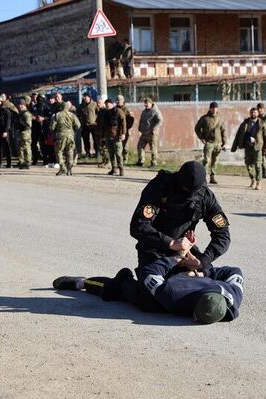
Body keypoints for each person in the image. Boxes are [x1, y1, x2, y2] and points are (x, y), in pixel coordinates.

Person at [123, 161, 231, 312]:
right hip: (154, 251)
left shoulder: (205, 195)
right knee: (151, 301)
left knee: (204, 289)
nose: (190, 194)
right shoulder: (160, 187)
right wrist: (171, 243)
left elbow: (223, 235)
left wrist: (201, 261)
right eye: (186, 190)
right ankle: (122, 283)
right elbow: (138, 226)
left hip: (185, 254)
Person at [53, 261, 244, 323]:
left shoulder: (232, 299)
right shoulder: (173, 293)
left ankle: (84, 282)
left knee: (141, 298)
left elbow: (234, 272)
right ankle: (86, 282)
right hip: (174, 277)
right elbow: (148, 271)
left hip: (171, 281)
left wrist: (195, 268)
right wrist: (197, 269)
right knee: (121, 289)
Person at [231, 107, 266, 190]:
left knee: (258, 165)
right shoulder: (245, 123)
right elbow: (238, 134)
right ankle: (252, 179)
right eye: (252, 112)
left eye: (255, 113)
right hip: (248, 147)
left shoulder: (261, 123)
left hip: (258, 147)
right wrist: (235, 146)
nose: (253, 114)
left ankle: (259, 182)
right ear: (250, 113)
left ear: (257, 114)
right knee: (248, 165)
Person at [195, 102, 226, 184]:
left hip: (218, 143)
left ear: (217, 109)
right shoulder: (205, 118)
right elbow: (197, 128)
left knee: (215, 161)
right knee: (206, 160)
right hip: (209, 142)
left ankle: (212, 177)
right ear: (210, 108)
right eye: (212, 108)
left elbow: (223, 131)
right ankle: (203, 177)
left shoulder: (220, 119)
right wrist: (201, 138)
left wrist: (224, 142)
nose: (214, 109)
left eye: (215, 108)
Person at [50, 101, 81, 176]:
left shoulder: (57, 115)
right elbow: (78, 125)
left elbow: (52, 127)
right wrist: (72, 129)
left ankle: (62, 167)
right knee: (70, 151)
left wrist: (55, 131)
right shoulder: (72, 115)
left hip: (60, 136)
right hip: (70, 136)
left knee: (59, 152)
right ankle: (69, 169)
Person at [102, 99, 126, 176]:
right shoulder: (105, 113)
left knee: (118, 153)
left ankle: (121, 169)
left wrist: (123, 133)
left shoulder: (118, 111)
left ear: (112, 104)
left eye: (108, 104)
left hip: (117, 136)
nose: (107, 106)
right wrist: (103, 136)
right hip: (108, 136)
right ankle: (114, 169)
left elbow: (123, 122)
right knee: (111, 153)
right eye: (106, 105)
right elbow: (104, 125)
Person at [137, 98, 162, 168]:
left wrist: (154, 128)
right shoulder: (144, 112)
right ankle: (141, 161)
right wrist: (139, 127)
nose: (145, 104)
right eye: (145, 103)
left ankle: (154, 162)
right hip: (144, 133)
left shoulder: (155, 111)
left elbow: (160, 121)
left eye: (147, 103)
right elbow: (141, 120)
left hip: (152, 133)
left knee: (153, 148)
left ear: (151, 103)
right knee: (140, 146)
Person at [77, 92, 99, 159]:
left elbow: (98, 113)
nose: (84, 98)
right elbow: (78, 115)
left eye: (85, 97)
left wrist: (97, 122)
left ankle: (97, 152)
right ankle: (87, 153)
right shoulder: (81, 106)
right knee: (86, 140)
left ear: (89, 97)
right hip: (84, 125)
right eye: (83, 97)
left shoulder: (94, 104)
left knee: (95, 139)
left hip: (93, 125)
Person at [116, 94, 135, 162]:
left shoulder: (126, 109)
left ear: (123, 101)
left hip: (125, 129)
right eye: (117, 100)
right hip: (117, 129)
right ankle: (119, 158)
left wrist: (128, 127)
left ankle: (125, 158)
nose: (117, 101)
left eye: (119, 100)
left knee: (125, 145)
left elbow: (131, 119)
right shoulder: (115, 109)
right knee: (118, 144)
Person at [30, 92, 47, 166]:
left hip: (43, 128)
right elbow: (30, 114)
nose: (39, 100)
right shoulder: (34, 107)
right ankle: (35, 159)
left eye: (41, 99)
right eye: (38, 98)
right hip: (35, 127)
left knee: (44, 145)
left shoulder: (46, 107)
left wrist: (43, 118)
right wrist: (33, 117)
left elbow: (51, 116)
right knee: (33, 145)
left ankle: (45, 159)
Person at [16, 99, 33, 169]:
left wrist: (20, 122)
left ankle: (27, 162)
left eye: (21, 105)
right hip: (21, 132)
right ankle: (22, 162)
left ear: (24, 105)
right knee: (20, 148)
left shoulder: (26, 114)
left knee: (26, 148)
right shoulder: (21, 113)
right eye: (19, 105)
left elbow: (28, 125)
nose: (20, 106)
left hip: (26, 132)